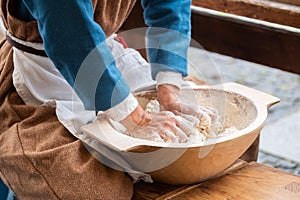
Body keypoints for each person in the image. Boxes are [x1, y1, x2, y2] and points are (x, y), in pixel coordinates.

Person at [0, 0, 215, 199]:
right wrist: (136, 120)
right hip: (43, 72)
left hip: (107, 54)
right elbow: (69, 30)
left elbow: (169, 3)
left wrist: (169, 88)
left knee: (204, 148)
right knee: (89, 188)